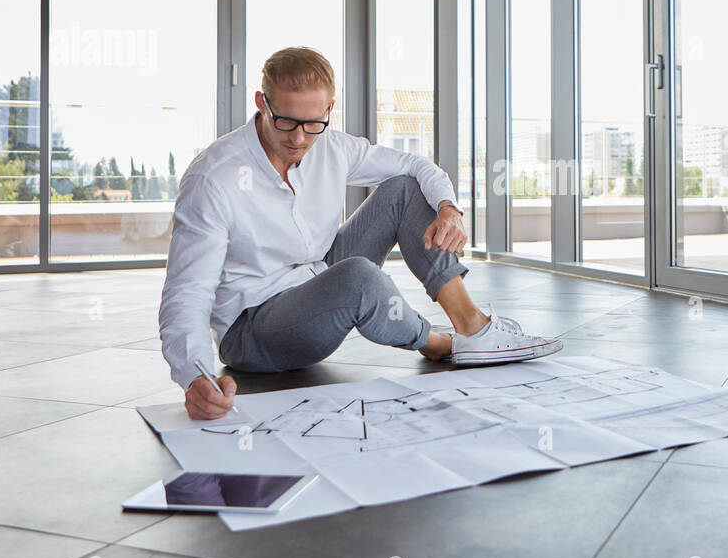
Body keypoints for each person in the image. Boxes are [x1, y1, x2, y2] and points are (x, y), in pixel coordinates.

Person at [159, 46, 561, 420]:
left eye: (313, 123)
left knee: (405, 188)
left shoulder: (332, 147)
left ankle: (472, 328)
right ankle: (437, 344)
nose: (299, 138)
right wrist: (194, 375)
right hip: (253, 329)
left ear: (330, 109)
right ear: (261, 103)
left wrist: (448, 209)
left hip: (316, 280)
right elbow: (188, 289)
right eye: (285, 122)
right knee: (358, 277)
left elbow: (417, 166)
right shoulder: (215, 177)